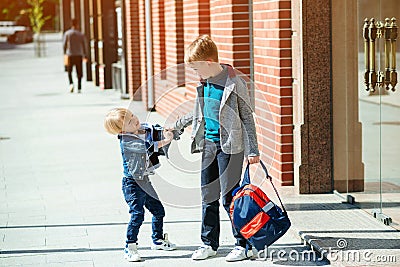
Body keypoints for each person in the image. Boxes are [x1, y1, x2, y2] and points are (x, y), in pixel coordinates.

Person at [172, 35, 260, 262]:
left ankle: (242, 244)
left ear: (209, 61)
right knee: (207, 195)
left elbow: (247, 118)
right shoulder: (204, 83)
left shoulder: (234, 82)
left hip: (231, 147)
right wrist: (177, 127)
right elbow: (199, 113)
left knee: (229, 198)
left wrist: (253, 151)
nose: (195, 73)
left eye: (196, 68)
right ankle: (208, 243)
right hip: (208, 145)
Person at [104, 108, 177, 262]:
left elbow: (155, 131)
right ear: (122, 130)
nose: (134, 119)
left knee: (158, 210)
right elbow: (149, 147)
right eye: (129, 121)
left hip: (144, 181)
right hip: (132, 184)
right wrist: (167, 139)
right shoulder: (127, 140)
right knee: (137, 215)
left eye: (132, 115)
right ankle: (130, 247)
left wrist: (170, 129)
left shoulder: (142, 128)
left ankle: (157, 240)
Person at [63, 18, 87, 93]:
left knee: (69, 71)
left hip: (70, 54)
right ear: (77, 24)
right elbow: (84, 45)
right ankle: (79, 87)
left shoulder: (67, 34)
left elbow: (64, 45)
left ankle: (71, 84)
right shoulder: (80, 34)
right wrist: (85, 55)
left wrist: (64, 54)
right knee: (79, 72)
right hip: (78, 55)